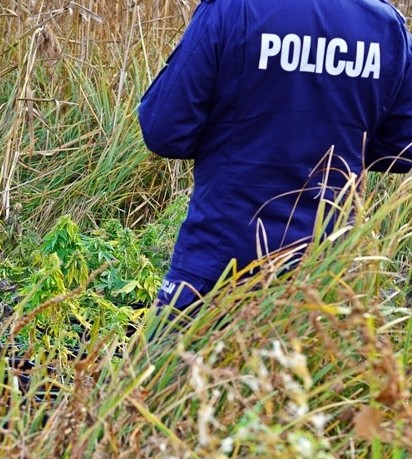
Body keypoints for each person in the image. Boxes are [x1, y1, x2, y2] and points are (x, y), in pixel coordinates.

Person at [138, 0, 412, 312]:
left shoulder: (231, 9)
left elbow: (164, 132)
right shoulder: (383, 23)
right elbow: (401, 150)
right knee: (314, 360)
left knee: (168, 358)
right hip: (326, 272)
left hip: (219, 259)